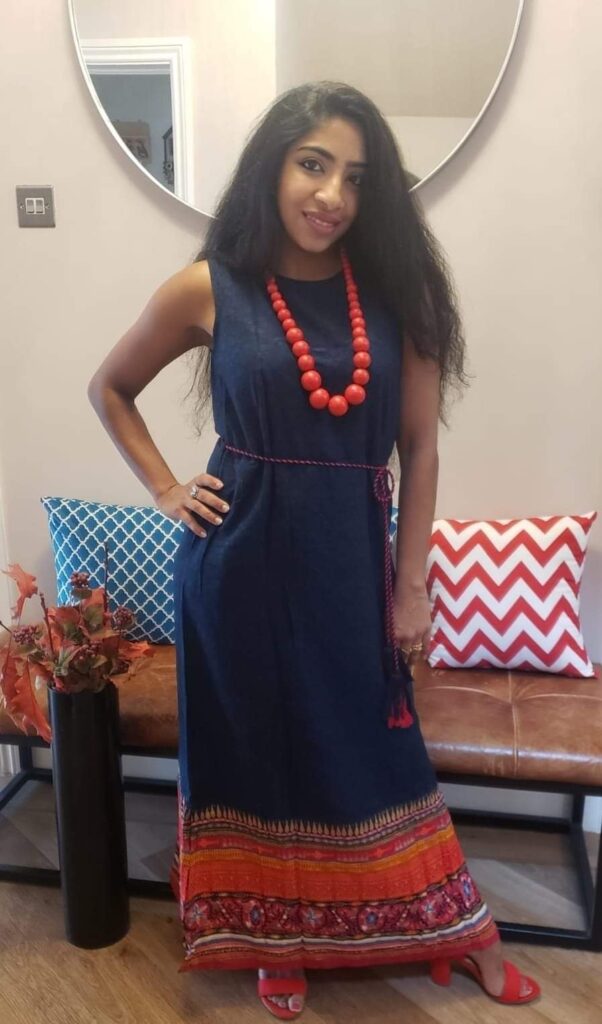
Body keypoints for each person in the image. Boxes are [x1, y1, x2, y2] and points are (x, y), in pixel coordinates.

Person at [88, 81, 541, 1020]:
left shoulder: (399, 297)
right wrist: (166, 488)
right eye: (313, 164)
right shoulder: (210, 285)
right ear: (274, 167)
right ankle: (274, 942)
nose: (333, 193)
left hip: (348, 567)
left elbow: (420, 449)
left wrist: (411, 587)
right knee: (252, 754)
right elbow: (111, 388)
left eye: (356, 177)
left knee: (380, 751)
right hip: (235, 568)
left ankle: (462, 929)